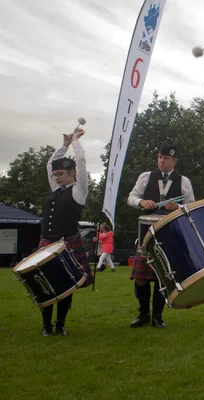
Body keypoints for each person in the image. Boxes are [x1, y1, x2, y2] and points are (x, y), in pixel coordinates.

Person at [126, 144, 195, 329]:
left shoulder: (184, 181)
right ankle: (143, 313)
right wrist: (141, 201)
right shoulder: (145, 177)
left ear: (174, 161)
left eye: (166, 158)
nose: (161, 161)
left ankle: (157, 315)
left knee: (162, 276)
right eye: (159, 157)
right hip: (147, 231)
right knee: (141, 277)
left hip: (170, 231)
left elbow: (191, 207)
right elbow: (131, 197)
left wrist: (178, 208)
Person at [39, 128, 93, 336]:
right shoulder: (56, 190)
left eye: (61, 174)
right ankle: (46, 325)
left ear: (72, 173)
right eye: (55, 175)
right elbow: (49, 163)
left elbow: (81, 162)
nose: (57, 178)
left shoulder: (79, 192)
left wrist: (76, 142)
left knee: (66, 285)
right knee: (46, 283)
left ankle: (60, 324)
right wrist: (64, 145)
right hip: (47, 242)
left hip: (67, 243)